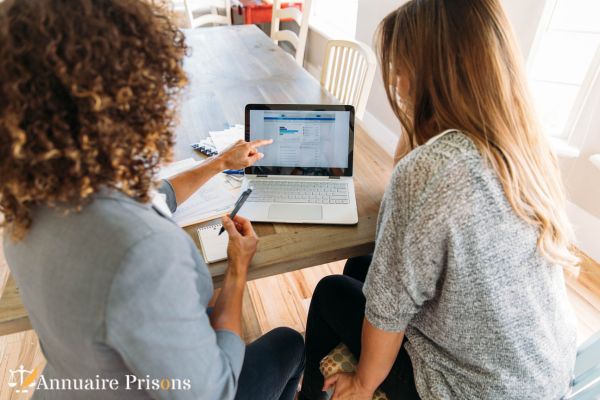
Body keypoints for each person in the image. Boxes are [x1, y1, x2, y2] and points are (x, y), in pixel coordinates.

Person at [0, 0, 304, 399]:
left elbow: (154, 196)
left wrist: (217, 164)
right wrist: (237, 269)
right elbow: (213, 392)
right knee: (291, 342)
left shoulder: (29, 201)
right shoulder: (142, 251)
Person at [299, 0, 578, 399]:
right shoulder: (524, 145)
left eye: (400, 66)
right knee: (362, 265)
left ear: (430, 71)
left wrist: (363, 382)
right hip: (542, 374)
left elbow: (387, 313)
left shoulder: (431, 170)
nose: (394, 78)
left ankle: (314, 394)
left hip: (473, 390)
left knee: (329, 291)